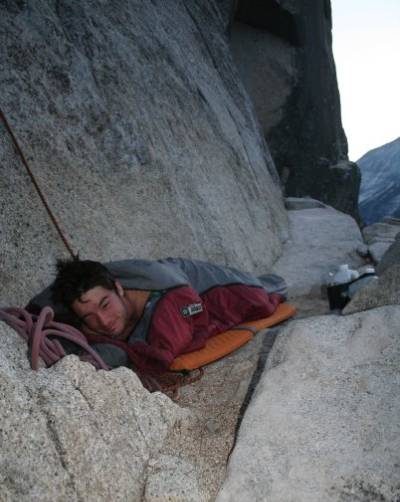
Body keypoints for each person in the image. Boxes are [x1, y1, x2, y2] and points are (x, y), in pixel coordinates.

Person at [30, 257, 286, 375]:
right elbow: (45, 302)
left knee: (262, 298)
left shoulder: (173, 305)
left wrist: (105, 356)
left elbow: (160, 353)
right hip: (169, 271)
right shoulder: (98, 280)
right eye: (89, 317)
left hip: (211, 287)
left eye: (105, 305)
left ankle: (276, 281)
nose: (103, 321)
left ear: (118, 288)